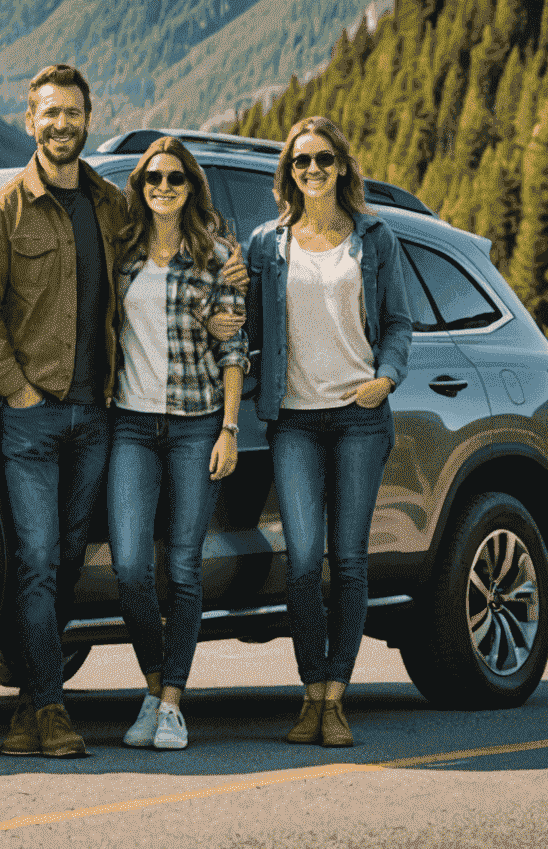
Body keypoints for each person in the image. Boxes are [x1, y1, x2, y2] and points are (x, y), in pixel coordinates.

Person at [0, 63, 126, 759]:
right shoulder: (2, 211)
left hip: (98, 416)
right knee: (33, 559)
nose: (62, 124)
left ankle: (32, 705)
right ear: (30, 122)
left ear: (90, 119)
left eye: (73, 112)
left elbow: (168, 258)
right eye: (49, 113)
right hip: (31, 417)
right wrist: (17, 388)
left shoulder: (113, 207)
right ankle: (53, 709)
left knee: (64, 561)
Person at [244, 115, 412, 748]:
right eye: (299, 162)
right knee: (301, 557)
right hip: (293, 422)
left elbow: (398, 323)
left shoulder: (375, 237)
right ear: (288, 173)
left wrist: (385, 379)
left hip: (359, 419)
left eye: (321, 160)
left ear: (342, 166)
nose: (310, 170)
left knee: (347, 557)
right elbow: (252, 331)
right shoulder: (268, 243)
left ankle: (336, 697)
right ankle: (308, 691)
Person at [108, 138, 249, 752]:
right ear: (139, 188)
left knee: (184, 568)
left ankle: (171, 705)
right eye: (151, 179)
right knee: (131, 565)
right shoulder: (123, 256)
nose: (162, 187)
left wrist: (230, 429)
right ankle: (152, 685)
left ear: (191, 187)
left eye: (175, 178)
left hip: (195, 426)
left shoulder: (217, 258)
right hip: (131, 427)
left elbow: (233, 349)